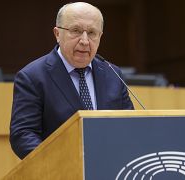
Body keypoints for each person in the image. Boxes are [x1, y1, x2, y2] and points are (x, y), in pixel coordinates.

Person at [10, 2, 134, 159]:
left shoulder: (113, 73)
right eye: (76, 31)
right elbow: (23, 135)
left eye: (91, 33)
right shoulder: (32, 76)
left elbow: (130, 126)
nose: (84, 40)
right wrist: (60, 162)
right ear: (57, 34)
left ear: (100, 37)